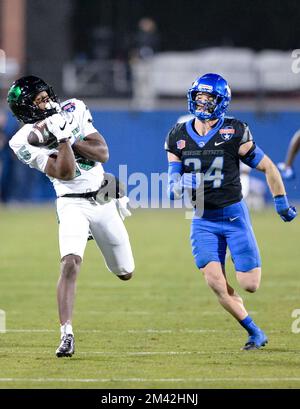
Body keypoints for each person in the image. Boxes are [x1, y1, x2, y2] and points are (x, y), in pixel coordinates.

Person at [165, 73, 297, 350]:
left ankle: (253, 323)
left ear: (221, 101)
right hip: (202, 219)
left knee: (250, 284)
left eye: (208, 98)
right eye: (198, 97)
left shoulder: (234, 131)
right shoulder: (177, 135)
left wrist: (280, 201)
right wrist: (177, 184)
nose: (201, 103)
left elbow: (268, 167)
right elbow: (172, 182)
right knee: (214, 281)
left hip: (234, 216)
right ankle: (254, 332)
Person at [7, 76, 135, 357]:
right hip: (71, 203)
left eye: (45, 96)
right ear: (25, 110)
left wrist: (69, 135)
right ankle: (66, 333)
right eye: (37, 101)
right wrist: (62, 137)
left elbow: (102, 153)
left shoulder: (73, 108)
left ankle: (112, 187)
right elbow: (64, 172)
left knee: (125, 272)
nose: (46, 103)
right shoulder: (21, 141)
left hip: (101, 198)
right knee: (70, 263)